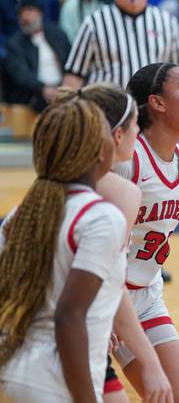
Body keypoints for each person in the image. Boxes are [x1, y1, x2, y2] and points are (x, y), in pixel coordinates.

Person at [0, 97, 125, 402]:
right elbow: (68, 316)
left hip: (12, 371)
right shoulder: (101, 217)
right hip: (56, 383)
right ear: (99, 149)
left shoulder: (24, 212)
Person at [57, 84, 174, 403]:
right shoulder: (116, 198)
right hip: (68, 348)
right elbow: (78, 306)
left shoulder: (38, 198)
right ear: (117, 136)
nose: (140, 132)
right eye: (136, 123)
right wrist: (149, 361)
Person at [109, 62, 179, 403]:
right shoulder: (127, 161)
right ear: (158, 103)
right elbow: (95, 246)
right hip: (103, 292)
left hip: (146, 295)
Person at [63, 0, 179, 90]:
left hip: (153, 108)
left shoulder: (167, 23)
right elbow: (74, 75)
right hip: (107, 108)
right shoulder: (94, 23)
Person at [2, 0, 70, 112]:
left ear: (40, 13)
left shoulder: (57, 35)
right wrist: (43, 88)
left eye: (29, 10)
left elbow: (71, 62)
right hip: (34, 96)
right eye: (21, 13)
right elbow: (21, 75)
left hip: (62, 90)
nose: (25, 17)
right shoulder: (14, 44)